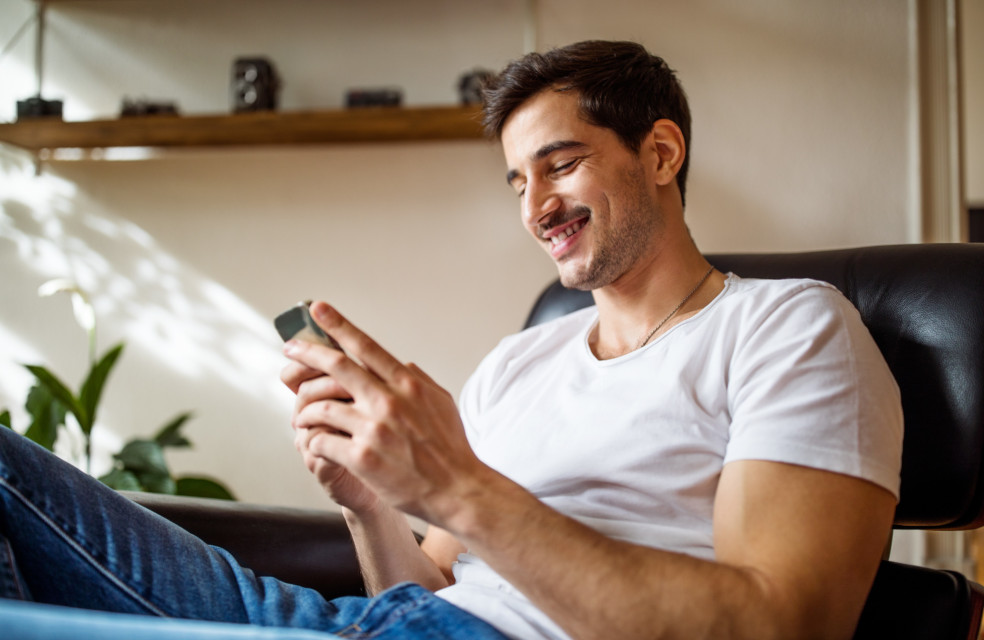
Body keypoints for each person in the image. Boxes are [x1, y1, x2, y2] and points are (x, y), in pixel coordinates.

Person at [0, 40, 902, 640]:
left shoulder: (786, 327)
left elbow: (783, 623)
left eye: (561, 163)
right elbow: (429, 594)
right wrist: (370, 503)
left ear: (661, 154)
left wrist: (457, 485)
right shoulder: (525, 359)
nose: (536, 207)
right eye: (516, 180)